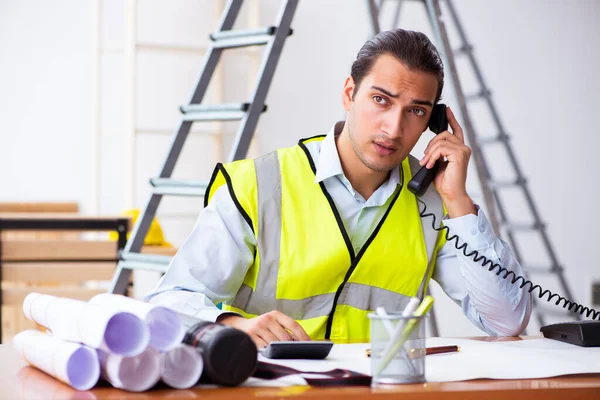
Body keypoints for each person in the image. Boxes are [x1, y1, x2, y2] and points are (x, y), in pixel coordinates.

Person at [145, 29, 532, 347]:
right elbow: (168, 302)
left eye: (416, 111)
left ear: (434, 122)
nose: (394, 129)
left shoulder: (433, 203)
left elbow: (507, 320)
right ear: (349, 93)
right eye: (381, 100)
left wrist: (458, 202)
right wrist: (229, 323)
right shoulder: (257, 185)